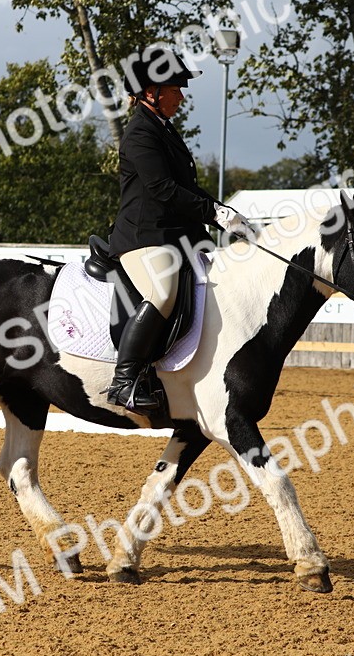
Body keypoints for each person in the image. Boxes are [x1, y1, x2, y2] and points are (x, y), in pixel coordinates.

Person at [103, 47, 254, 411]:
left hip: (174, 237)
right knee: (163, 293)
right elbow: (163, 190)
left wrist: (225, 212)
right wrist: (213, 213)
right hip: (144, 237)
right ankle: (124, 380)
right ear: (151, 91)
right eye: (175, 89)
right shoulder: (140, 133)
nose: (181, 97)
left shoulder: (163, 129)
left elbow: (187, 187)